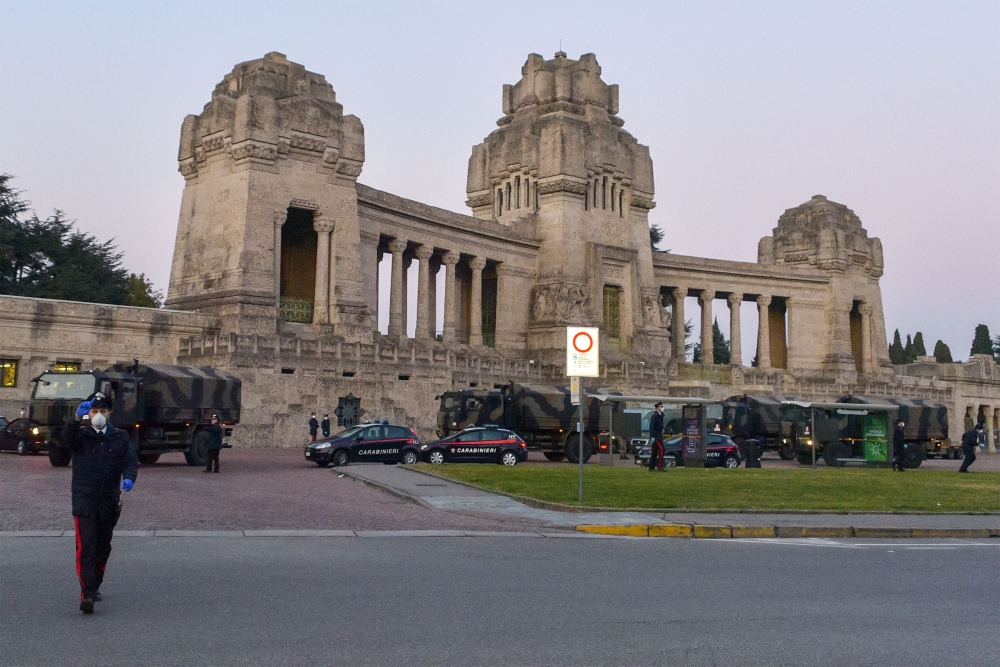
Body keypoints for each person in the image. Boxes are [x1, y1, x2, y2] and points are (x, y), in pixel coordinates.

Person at [62, 392, 137, 614]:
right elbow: (66, 439)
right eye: (94, 411)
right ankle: (86, 594)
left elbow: (130, 461)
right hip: (84, 499)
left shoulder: (119, 437)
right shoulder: (82, 435)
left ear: (109, 413)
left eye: (102, 411)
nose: (98, 416)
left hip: (108, 499)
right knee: (86, 546)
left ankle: (95, 587)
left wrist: (130, 477)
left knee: (103, 546)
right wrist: (76, 418)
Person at [648, 402, 665, 472]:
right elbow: (652, 426)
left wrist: (662, 428)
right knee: (662, 449)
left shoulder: (660, 415)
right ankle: (659, 466)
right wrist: (652, 436)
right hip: (656, 436)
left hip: (659, 434)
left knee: (654, 451)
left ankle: (651, 467)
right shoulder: (655, 415)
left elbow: (660, 425)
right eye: (661, 406)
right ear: (657, 408)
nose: (662, 408)